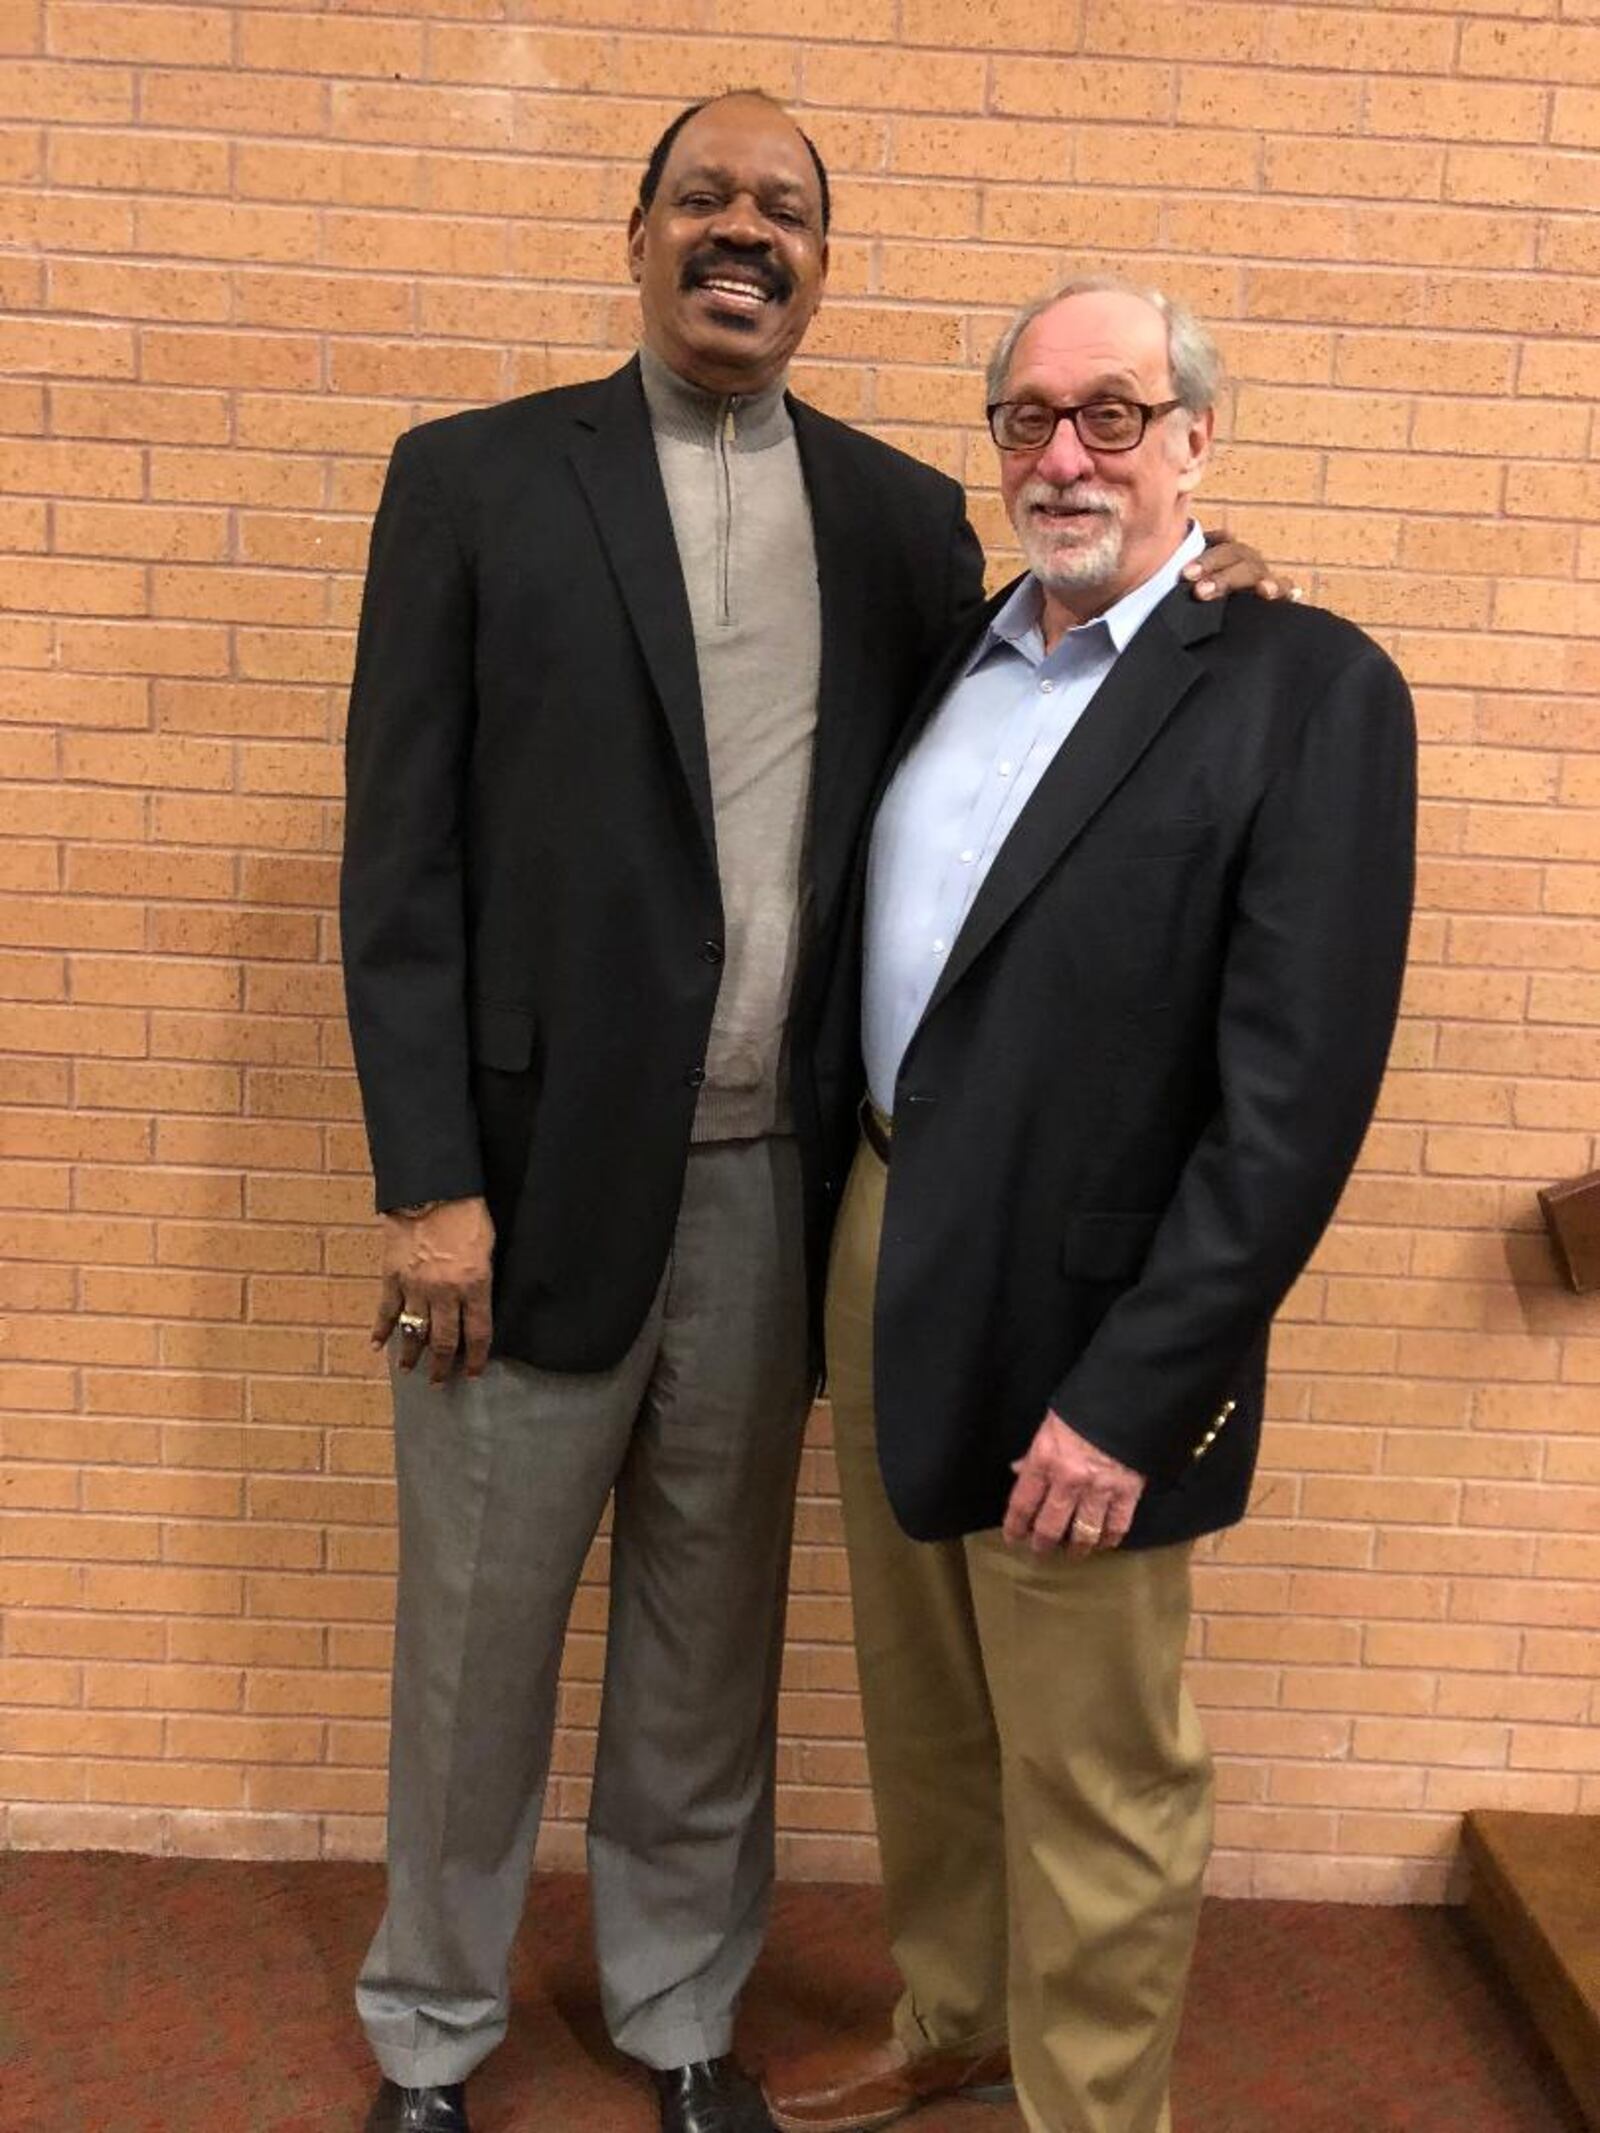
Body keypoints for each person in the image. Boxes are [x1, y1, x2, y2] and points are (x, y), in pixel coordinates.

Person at [340, 92, 1279, 2133]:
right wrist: (426, 1182)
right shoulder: (473, 485)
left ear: (820, 266)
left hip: (780, 1193)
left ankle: (681, 2011)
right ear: (641, 232)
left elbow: (1034, 717)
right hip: (513, 1198)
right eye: (705, 198)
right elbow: (396, 864)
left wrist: (1191, 594)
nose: (740, 232)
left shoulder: (888, 515)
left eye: (784, 210)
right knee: (470, 1653)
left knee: (708, 1643)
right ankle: (430, 2030)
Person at [762, 278, 1416, 2133]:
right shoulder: (952, 655)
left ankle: (1091, 2110)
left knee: (1100, 1761)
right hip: (887, 1241)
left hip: (1097, 1311)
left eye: (1113, 415)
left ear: (1196, 439)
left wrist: (1140, 1390)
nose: (1067, 455)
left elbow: (1293, 1109)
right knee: (931, 1713)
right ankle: (957, 2012)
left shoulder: (1307, 686)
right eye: (1033, 417)